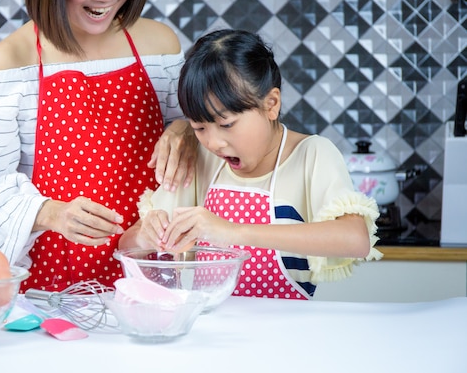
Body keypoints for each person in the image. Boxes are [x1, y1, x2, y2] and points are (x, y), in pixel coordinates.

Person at [0, 0, 198, 292]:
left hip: (150, 273)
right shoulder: (8, 64)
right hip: (47, 288)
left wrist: (186, 127)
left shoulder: (160, 46)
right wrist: (51, 213)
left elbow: (204, 130)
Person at [120, 29, 383, 299]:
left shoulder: (312, 155)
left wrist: (232, 232)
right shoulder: (201, 159)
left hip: (289, 332)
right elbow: (128, 242)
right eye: (199, 127)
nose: (213, 142)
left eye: (226, 125)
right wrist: (148, 237)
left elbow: (355, 239)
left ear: (271, 104)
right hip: (217, 331)